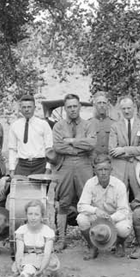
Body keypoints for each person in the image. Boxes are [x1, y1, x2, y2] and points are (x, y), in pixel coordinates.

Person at [52, 94, 95, 250]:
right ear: (65, 108)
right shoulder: (58, 126)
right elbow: (58, 146)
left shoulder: (88, 125)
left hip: (84, 164)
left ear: (79, 107)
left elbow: (91, 144)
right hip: (65, 164)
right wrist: (79, 148)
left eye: (75, 106)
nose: (72, 109)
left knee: (88, 201)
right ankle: (61, 239)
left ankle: (91, 240)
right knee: (63, 202)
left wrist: (72, 141)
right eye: (69, 107)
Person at [76, 156, 131, 259]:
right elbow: (81, 206)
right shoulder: (90, 183)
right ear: (95, 171)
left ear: (111, 170)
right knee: (81, 219)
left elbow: (124, 210)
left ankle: (119, 244)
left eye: (106, 169)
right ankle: (92, 246)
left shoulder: (119, 185)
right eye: (100, 170)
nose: (103, 172)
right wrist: (95, 210)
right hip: (97, 217)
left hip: (114, 217)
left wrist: (111, 218)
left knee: (123, 229)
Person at [5, 199, 57, 277]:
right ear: (26, 215)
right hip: (27, 258)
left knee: (32, 268)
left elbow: (47, 254)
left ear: (42, 216)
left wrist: (41, 270)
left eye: (36, 214)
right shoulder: (22, 230)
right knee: (28, 266)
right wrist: (18, 263)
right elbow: (20, 252)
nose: (33, 218)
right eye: (30, 214)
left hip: (44, 261)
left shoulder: (47, 231)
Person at [109, 96, 140, 197]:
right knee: (118, 196)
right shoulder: (115, 127)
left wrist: (123, 149)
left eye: (129, 108)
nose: (126, 111)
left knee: (139, 196)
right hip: (119, 167)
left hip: (136, 166)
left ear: (134, 107)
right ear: (120, 109)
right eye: (124, 108)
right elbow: (112, 150)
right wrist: (134, 152)